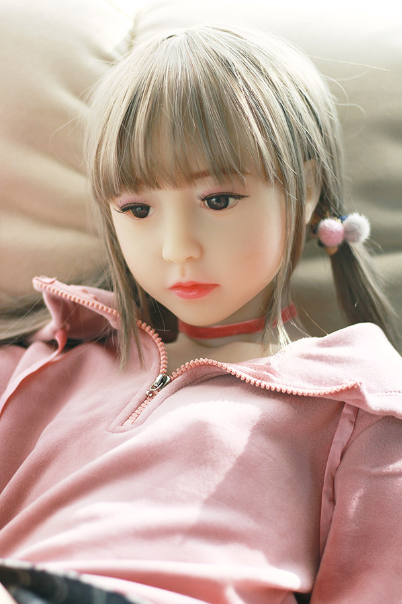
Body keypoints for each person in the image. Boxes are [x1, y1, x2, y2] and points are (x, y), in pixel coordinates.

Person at [1, 24, 402, 604]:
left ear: (307, 190)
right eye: (137, 209)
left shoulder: (363, 398)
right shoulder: (48, 355)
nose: (177, 248)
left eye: (218, 200)